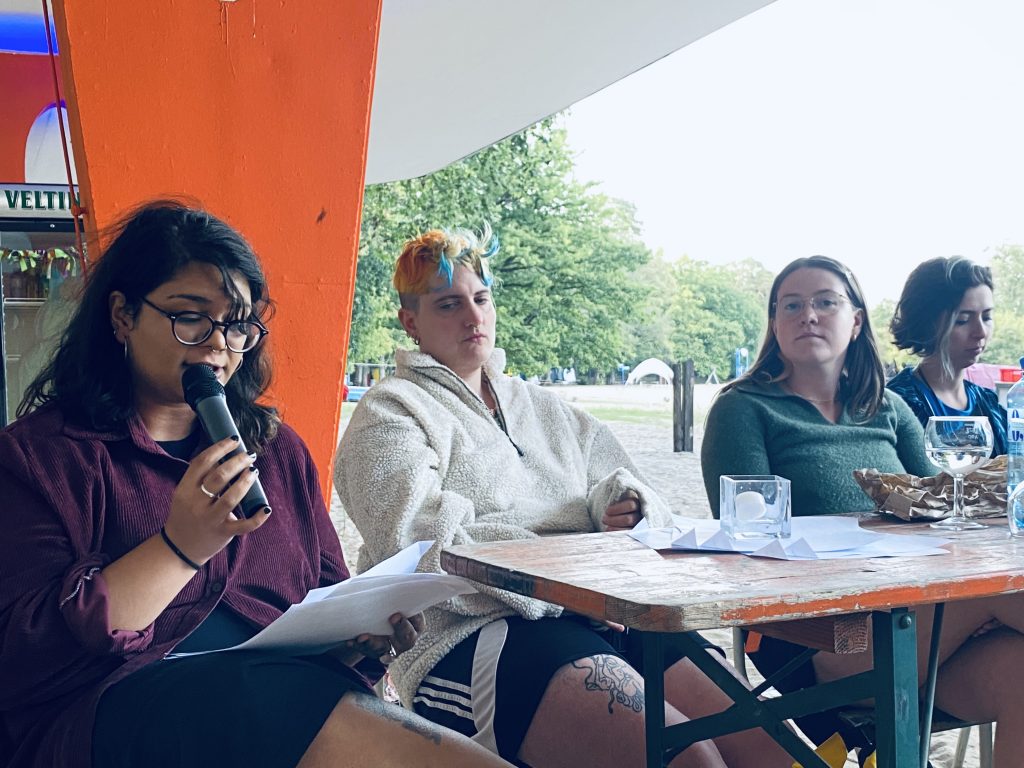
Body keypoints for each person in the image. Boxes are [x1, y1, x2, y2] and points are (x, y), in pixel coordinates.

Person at [0, 202, 511, 768]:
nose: (218, 344)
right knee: (259, 696)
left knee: (304, 701)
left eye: (238, 325)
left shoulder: (276, 449)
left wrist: (359, 634)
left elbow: (327, 590)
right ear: (122, 316)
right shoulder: (41, 456)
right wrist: (179, 547)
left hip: (283, 701)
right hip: (110, 720)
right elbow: (23, 655)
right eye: (190, 317)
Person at [335, 225, 795, 768]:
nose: (473, 316)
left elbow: (642, 496)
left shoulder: (546, 407)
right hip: (471, 636)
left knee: (775, 752)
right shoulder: (391, 413)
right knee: (691, 760)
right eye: (448, 304)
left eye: (481, 298)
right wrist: (577, 561)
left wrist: (620, 505)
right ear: (410, 322)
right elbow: (421, 546)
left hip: (604, 614)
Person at [701, 255, 1024, 764]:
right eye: (792, 305)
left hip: (924, 613)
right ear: (775, 323)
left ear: (855, 321)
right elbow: (745, 546)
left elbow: (938, 506)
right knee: (1003, 590)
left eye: (826, 302)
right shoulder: (743, 408)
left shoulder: (887, 409)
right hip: (820, 634)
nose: (808, 314)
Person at [887, 256, 1006, 455]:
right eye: (963, 320)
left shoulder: (990, 402)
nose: (981, 332)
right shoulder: (897, 404)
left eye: (987, 317)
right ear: (927, 324)